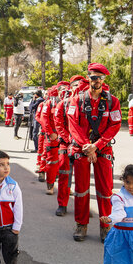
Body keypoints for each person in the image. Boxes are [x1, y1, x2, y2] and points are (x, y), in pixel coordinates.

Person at [67, 63, 121, 243]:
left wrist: (96, 146)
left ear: (104, 80)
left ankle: (105, 226)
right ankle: (81, 225)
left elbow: (115, 125)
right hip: (82, 149)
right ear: (88, 78)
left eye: (100, 78)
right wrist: (86, 146)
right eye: (93, 77)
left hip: (102, 149)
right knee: (81, 190)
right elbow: (72, 124)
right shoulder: (78, 99)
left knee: (105, 190)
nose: (96, 81)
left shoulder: (112, 101)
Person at [54, 76, 87, 216]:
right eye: (75, 86)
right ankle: (62, 204)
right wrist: (69, 139)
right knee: (64, 175)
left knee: (83, 180)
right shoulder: (63, 104)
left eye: (81, 86)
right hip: (66, 144)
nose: (78, 88)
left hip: (82, 146)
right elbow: (58, 123)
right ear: (71, 88)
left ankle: (83, 207)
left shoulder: (88, 104)